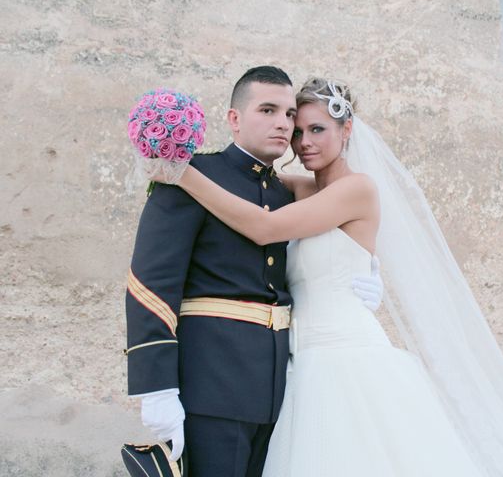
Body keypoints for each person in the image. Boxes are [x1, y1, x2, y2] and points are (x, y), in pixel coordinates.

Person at [152, 77, 503, 477]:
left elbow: (263, 227)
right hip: (301, 360)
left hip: (347, 355)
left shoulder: (357, 189)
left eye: (318, 129)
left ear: (347, 133)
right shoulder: (302, 188)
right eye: (298, 131)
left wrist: (179, 171)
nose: (304, 142)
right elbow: (251, 182)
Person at [125, 67, 382, 477]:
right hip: (211, 384)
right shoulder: (197, 176)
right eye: (269, 110)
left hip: (281, 388)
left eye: (289, 115)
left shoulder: (284, 193)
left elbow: (304, 227)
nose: (286, 126)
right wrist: (155, 386)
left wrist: (368, 265)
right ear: (234, 119)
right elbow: (151, 283)